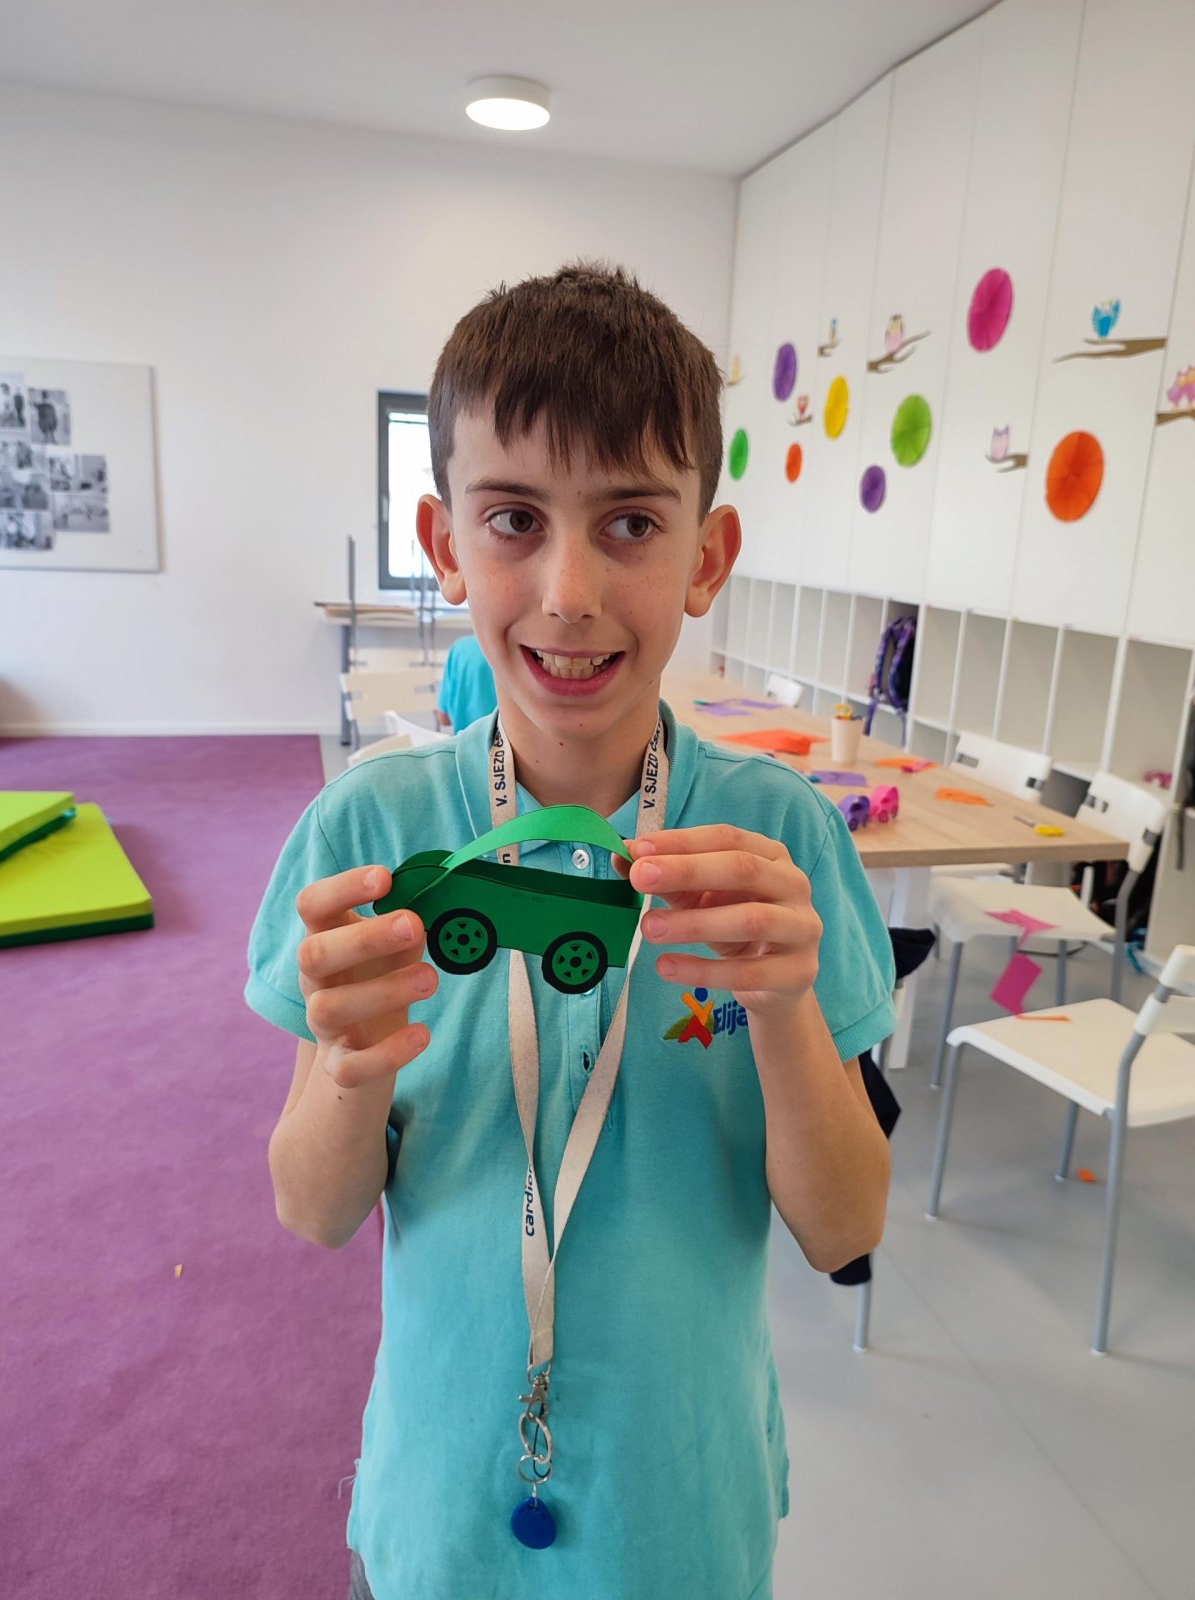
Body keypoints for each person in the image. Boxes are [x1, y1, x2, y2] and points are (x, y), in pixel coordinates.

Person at [245, 262, 896, 1600]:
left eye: (632, 522)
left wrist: (783, 1008)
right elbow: (312, 1210)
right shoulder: (373, 829)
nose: (569, 589)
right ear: (444, 544)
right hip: (437, 1515)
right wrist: (351, 1070)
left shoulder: (777, 842)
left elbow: (844, 1230)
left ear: (707, 557)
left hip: (681, 1518)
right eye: (513, 519)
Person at [437, 630, 497, 731]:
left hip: (462, 737)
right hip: (501, 737)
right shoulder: (507, 651)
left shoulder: (459, 648)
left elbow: (444, 719)